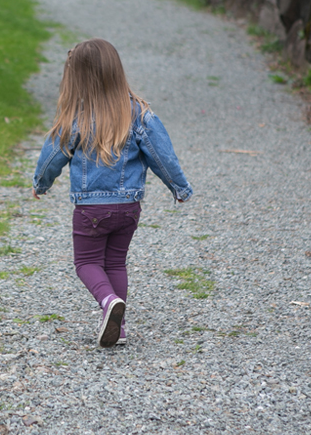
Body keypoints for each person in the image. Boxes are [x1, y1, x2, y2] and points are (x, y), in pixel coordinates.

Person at [32, 38, 193, 348]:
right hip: (129, 208)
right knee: (116, 263)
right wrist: (179, 187)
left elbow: (52, 157)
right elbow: (162, 156)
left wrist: (41, 184)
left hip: (91, 210)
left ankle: (108, 302)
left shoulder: (75, 119)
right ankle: (117, 329)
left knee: (86, 263)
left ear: (76, 79)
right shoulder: (140, 113)